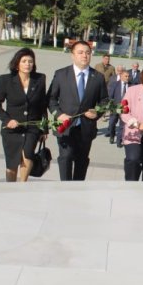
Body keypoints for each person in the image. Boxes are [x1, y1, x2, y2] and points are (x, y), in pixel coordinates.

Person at [47, 41, 108, 181]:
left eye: (87, 52)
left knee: (82, 160)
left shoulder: (97, 77)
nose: (84, 56)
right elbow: (51, 99)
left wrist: (97, 113)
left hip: (86, 128)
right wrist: (59, 114)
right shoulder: (61, 74)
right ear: (72, 55)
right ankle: (65, 188)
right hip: (65, 126)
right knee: (66, 157)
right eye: (80, 52)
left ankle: (78, 188)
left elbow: (104, 101)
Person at [0, 48, 48, 182]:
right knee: (12, 163)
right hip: (11, 129)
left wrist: (44, 129)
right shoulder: (6, 80)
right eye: (24, 61)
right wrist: (7, 120)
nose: (28, 64)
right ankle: (10, 188)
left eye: (30, 61)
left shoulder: (40, 79)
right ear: (17, 64)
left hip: (32, 127)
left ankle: (22, 186)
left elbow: (42, 105)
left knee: (27, 155)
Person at [107, 69, 130, 147]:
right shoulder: (115, 84)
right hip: (115, 108)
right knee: (112, 123)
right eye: (125, 76)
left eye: (128, 76)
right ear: (121, 76)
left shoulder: (131, 86)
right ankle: (112, 135)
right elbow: (110, 96)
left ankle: (119, 141)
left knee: (122, 125)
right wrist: (110, 107)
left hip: (125, 109)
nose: (127, 78)